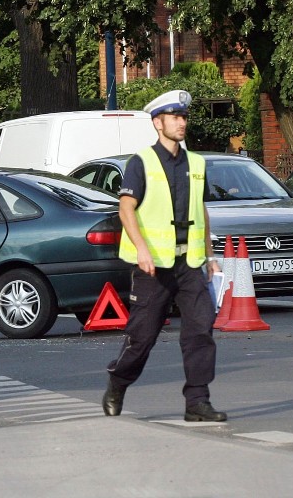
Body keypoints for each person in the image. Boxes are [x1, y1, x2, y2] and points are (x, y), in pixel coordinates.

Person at [102, 90, 227, 422]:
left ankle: (197, 402)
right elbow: (126, 208)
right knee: (142, 337)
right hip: (153, 266)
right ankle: (118, 380)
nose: (182, 123)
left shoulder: (197, 163)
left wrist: (210, 255)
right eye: (175, 117)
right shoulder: (141, 162)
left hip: (190, 263)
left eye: (184, 117)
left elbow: (200, 210)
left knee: (201, 329)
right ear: (158, 123)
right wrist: (141, 248)